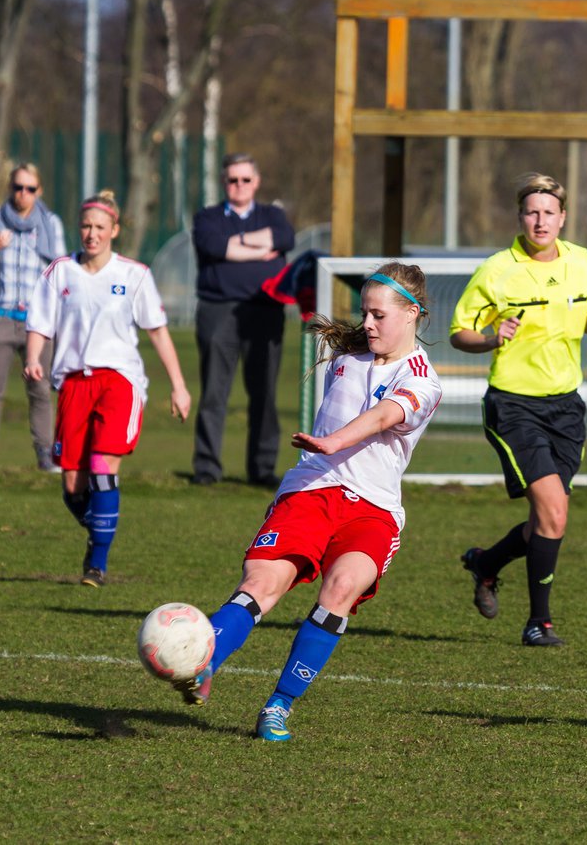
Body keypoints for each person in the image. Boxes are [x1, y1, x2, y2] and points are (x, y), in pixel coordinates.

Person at [170, 262, 442, 742]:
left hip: (373, 509)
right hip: (312, 489)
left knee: (342, 588)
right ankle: (200, 661)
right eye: (365, 313)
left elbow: (385, 415)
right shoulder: (351, 354)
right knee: (262, 581)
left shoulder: (424, 380)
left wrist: (335, 440)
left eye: (379, 315)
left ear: (412, 314)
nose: (369, 324)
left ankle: (278, 706)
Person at [449, 172, 587, 647]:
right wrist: (489, 338)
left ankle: (485, 565)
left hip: (566, 406)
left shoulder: (580, 261)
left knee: (549, 518)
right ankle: (538, 623)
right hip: (512, 404)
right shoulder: (496, 270)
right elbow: (458, 333)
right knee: (552, 511)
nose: (540, 220)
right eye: (532, 211)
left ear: (562, 218)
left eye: (549, 212)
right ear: (520, 217)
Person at [24, 190, 192, 587]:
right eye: (86, 226)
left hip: (120, 380)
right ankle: (100, 527)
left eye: (100, 227)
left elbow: (157, 332)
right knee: (72, 485)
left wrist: (179, 386)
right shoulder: (60, 272)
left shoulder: (134, 275)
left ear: (114, 230)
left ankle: (96, 563)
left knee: (103, 465)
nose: (91, 234)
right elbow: (40, 324)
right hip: (73, 383)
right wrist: (33, 358)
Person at [190, 152, 296, 487]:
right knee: (214, 392)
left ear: (257, 181)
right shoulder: (207, 217)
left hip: (265, 311)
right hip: (217, 310)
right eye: (233, 180)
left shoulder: (273, 215)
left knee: (264, 392)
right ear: (224, 182)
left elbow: (284, 240)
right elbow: (215, 247)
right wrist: (258, 247)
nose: (239, 186)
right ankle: (207, 468)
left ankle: (262, 468)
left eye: (245, 179)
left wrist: (237, 245)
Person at [0, 163, 67, 471]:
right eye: (17, 187)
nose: (22, 194)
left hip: (37, 324)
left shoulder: (51, 224)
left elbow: (61, 273)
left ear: (38, 191)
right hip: (0, 315)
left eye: (29, 188)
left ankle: (45, 454)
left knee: (40, 391)